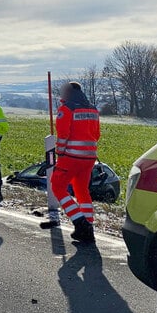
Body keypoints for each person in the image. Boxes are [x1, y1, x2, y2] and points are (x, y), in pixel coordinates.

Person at [52, 82, 101, 244]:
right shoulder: (93, 109)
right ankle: (88, 228)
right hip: (89, 157)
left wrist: (59, 152)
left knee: (57, 187)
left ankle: (79, 222)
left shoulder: (66, 109)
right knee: (82, 190)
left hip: (71, 157)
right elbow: (97, 134)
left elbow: (63, 134)